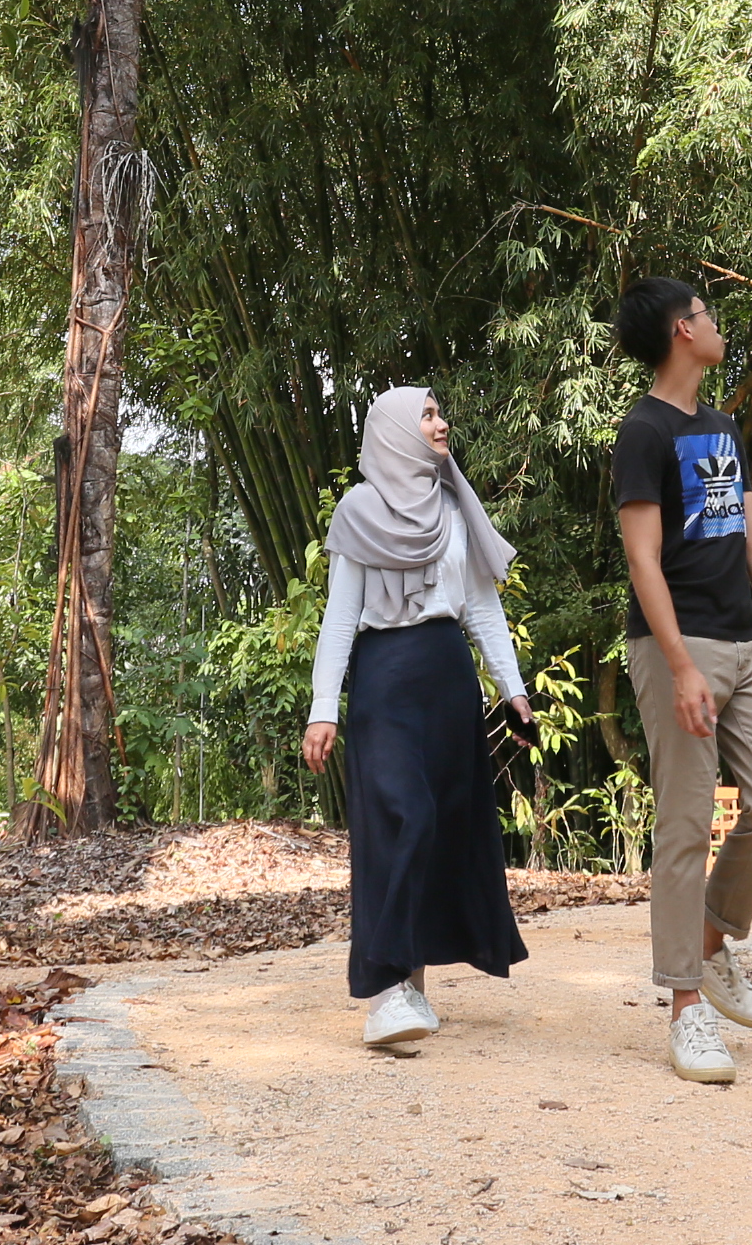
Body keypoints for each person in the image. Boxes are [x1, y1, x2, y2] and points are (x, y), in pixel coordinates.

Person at [610, 276, 752, 1085]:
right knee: (686, 822)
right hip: (675, 647)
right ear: (682, 330)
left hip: (747, 643)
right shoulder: (642, 431)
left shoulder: (722, 427)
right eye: (708, 315)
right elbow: (642, 559)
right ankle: (686, 1008)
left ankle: (714, 938)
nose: (718, 326)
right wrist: (682, 665)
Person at [303, 384, 533, 1050]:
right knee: (405, 817)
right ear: (397, 429)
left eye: (438, 411)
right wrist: (324, 710)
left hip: (447, 679)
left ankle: (413, 983)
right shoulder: (359, 511)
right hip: (385, 682)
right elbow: (339, 618)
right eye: (427, 414)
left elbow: (481, 609)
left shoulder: (454, 508)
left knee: (442, 829)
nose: (440, 422)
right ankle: (383, 990)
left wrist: (512, 690)